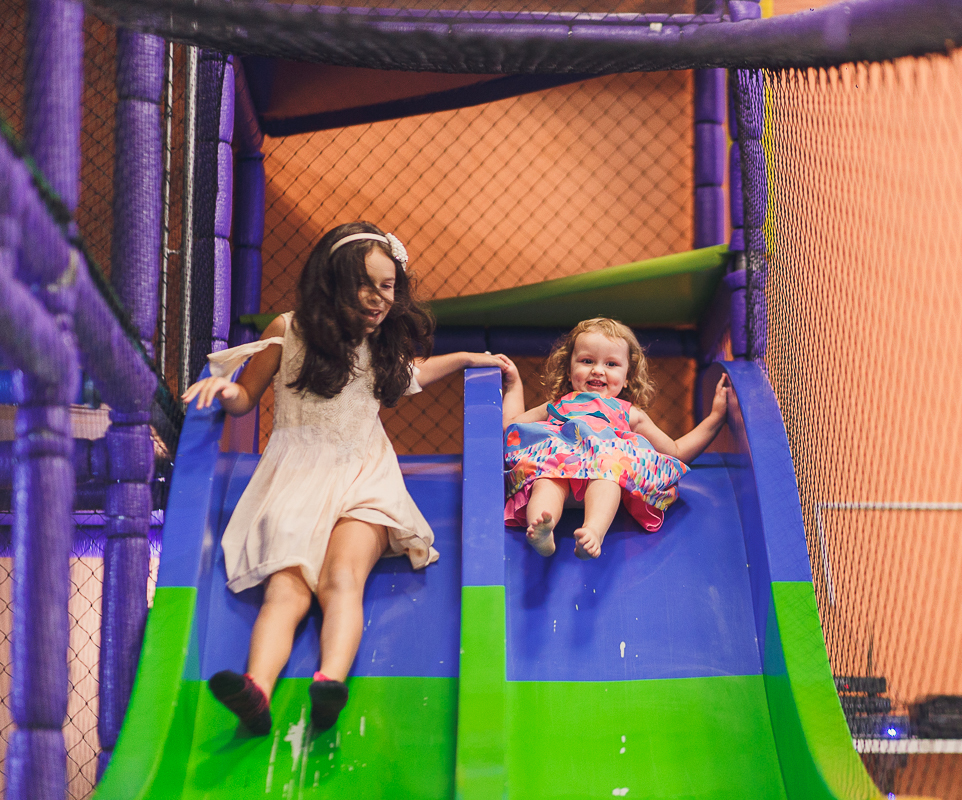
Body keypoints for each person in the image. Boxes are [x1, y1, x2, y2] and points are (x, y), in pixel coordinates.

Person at [182, 221, 511, 735]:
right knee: (286, 589)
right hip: (296, 474)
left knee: (342, 579)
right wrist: (226, 394)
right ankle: (257, 691)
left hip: (365, 476)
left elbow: (413, 375)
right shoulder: (286, 331)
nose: (381, 298)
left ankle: (329, 682)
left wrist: (468, 357)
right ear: (334, 280)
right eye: (369, 285)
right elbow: (247, 395)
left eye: (389, 286)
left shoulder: (380, 345)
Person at [500, 317, 729, 560]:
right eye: (587, 361)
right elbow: (511, 426)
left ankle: (593, 531)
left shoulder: (628, 412)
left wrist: (715, 419)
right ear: (569, 369)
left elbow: (675, 450)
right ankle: (542, 528)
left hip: (603, 473)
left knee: (610, 476)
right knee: (544, 482)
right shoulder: (558, 405)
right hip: (560, 470)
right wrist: (513, 383)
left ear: (628, 375)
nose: (598, 370)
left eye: (611, 364)